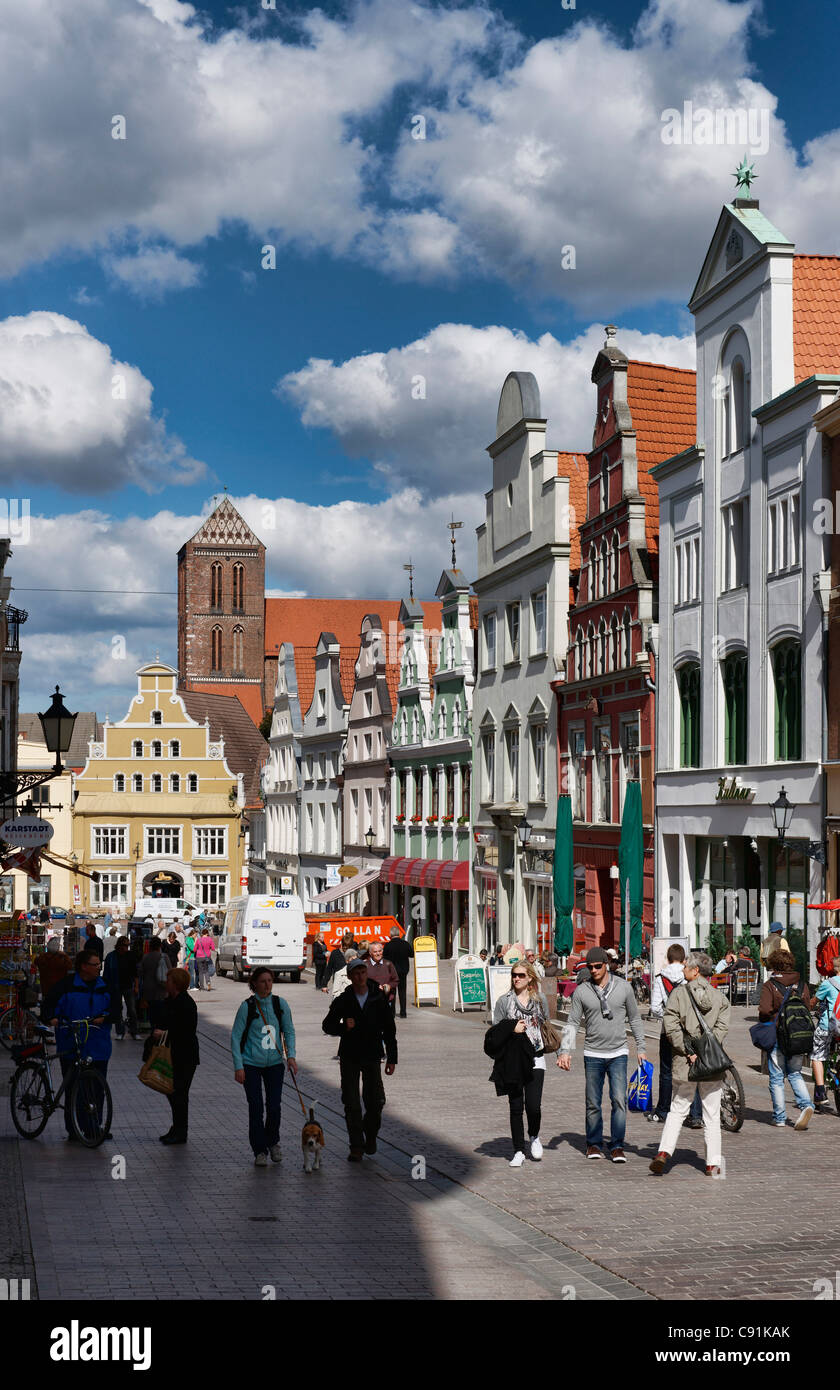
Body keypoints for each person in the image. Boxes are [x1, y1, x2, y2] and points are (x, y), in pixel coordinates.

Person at [559, 946, 647, 1163]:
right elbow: (571, 1022)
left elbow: (635, 1019)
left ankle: (617, 1146)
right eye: (590, 967)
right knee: (593, 1102)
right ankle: (594, 1144)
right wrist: (566, 1050)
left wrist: (641, 1048)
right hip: (593, 1053)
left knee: (619, 1100)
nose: (594, 970)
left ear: (606, 965)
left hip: (618, 1052)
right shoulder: (582, 991)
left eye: (598, 966)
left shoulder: (624, 987)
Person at [650, 953, 731, 1176]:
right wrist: (705, 1051)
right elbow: (721, 1030)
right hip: (711, 1063)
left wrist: (688, 1050)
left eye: (686, 967)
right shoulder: (720, 998)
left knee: (678, 1107)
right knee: (712, 1114)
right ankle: (712, 1163)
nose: (683, 969)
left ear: (696, 971)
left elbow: (671, 1025)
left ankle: (664, 1152)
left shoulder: (678, 994)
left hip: (686, 1062)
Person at [322, 957, 397, 1161]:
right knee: (351, 1102)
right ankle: (356, 1145)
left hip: (372, 1054)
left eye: (363, 972)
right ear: (350, 977)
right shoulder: (344, 1000)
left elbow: (390, 1030)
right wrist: (343, 1027)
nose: (360, 976)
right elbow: (327, 1025)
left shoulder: (377, 998)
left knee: (375, 1102)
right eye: (356, 973)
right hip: (350, 1055)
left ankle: (369, 1135)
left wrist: (392, 1058)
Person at [231, 966, 297, 1166]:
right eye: (263, 981)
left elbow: (289, 1031)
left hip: (275, 1064)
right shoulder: (247, 1007)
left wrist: (291, 1056)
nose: (267, 985)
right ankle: (259, 1150)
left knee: (275, 1106)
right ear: (254, 983)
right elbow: (235, 1037)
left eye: (270, 980)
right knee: (256, 1107)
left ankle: (273, 1142)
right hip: (251, 1064)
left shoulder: (280, 1004)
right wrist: (238, 1066)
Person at [43, 950, 112, 1141]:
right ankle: (75, 1129)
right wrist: (52, 1018)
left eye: (99, 964)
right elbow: (48, 1006)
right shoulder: (66, 985)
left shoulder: (104, 986)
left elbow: (115, 1010)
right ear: (83, 966)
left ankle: (94, 1127)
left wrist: (105, 1018)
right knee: (74, 1089)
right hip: (71, 1046)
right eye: (95, 964)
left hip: (99, 1047)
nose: (99, 968)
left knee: (97, 1090)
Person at [492, 960, 552, 1166]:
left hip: (536, 1058)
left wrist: (563, 1051)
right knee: (516, 1106)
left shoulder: (540, 1000)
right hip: (513, 1061)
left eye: (520, 975)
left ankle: (534, 1135)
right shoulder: (504, 1001)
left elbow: (547, 1026)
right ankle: (518, 1150)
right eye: (514, 975)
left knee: (533, 1106)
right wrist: (511, 1028)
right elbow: (494, 1032)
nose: (516, 978)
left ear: (530, 978)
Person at [758, 949, 814, 1130]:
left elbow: (765, 1010)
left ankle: (780, 1117)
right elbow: (807, 1007)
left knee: (776, 1078)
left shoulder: (770, 985)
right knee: (795, 1073)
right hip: (798, 1036)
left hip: (777, 1036)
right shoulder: (803, 984)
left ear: (774, 965)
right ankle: (806, 1105)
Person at [648, 944, 703, 1128]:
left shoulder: (661, 978)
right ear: (684, 959)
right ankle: (695, 1115)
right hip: (690, 1029)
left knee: (666, 1071)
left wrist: (667, 1016)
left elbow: (655, 1007)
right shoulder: (690, 976)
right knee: (692, 1068)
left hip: (668, 1031)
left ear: (668, 958)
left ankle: (663, 1110)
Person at [153, 967, 199, 1145]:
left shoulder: (186, 1003)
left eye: (169, 980)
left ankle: (181, 1131)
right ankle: (177, 1127)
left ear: (176, 984)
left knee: (179, 1094)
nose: (166, 983)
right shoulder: (170, 1001)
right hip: (172, 1054)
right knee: (172, 1093)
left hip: (185, 1056)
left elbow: (186, 1030)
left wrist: (164, 1033)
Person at [812, 956, 840, 1107]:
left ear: (833, 969)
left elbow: (813, 1002)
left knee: (817, 1056)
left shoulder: (828, 984)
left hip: (829, 1026)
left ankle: (821, 1092)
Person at [104, 936, 139, 1040]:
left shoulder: (130, 956)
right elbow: (106, 974)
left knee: (132, 1010)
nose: (126, 948)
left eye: (128, 945)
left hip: (128, 986)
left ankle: (134, 1031)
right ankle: (120, 1031)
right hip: (115, 987)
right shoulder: (111, 957)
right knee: (118, 1010)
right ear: (119, 945)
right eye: (124, 945)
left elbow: (135, 973)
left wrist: (136, 986)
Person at [139, 937, 169, 1033]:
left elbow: (140, 974)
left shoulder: (145, 957)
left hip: (148, 991)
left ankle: (153, 1030)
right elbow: (170, 972)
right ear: (160, 946)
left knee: (151, 1015)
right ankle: (159, 1032)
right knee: (161, 1014)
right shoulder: (164, 957)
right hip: (162, 990)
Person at [383, 927, 413, 1018]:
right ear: (399, 934)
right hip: (403, 971)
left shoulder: (388, 945)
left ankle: (392, 1013)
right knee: (402, 991)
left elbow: (384, 958)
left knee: (392, 992)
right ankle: (403, 1013)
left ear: (390, 935)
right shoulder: (405, 944)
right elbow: (412, 954)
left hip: (391, 972)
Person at [362, 940, 398, 1012]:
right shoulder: (365, 965)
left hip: (386, 1001)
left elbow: (395, 980)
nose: (378, 953)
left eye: (380, 951)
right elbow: (360, 982)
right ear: (370, 953)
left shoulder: (388, 964)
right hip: (370, 1002)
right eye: (375, 952)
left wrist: (389, 986)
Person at [35, 936, 72, 1001]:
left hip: (46, 989)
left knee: (47, 1006)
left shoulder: (42, 957)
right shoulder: (62, 958)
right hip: (60, 989)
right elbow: (70, 966)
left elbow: (36, 961)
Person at [194, 927, 216, 991]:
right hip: (207, 957)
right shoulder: (210, 939)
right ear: (207, 933)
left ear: (202, 934)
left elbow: (194, 949)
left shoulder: (199, 940)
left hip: (199, 957)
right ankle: (208, 982)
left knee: (200, 972)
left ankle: (202, 986)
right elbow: (213, 948)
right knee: (206, 971)